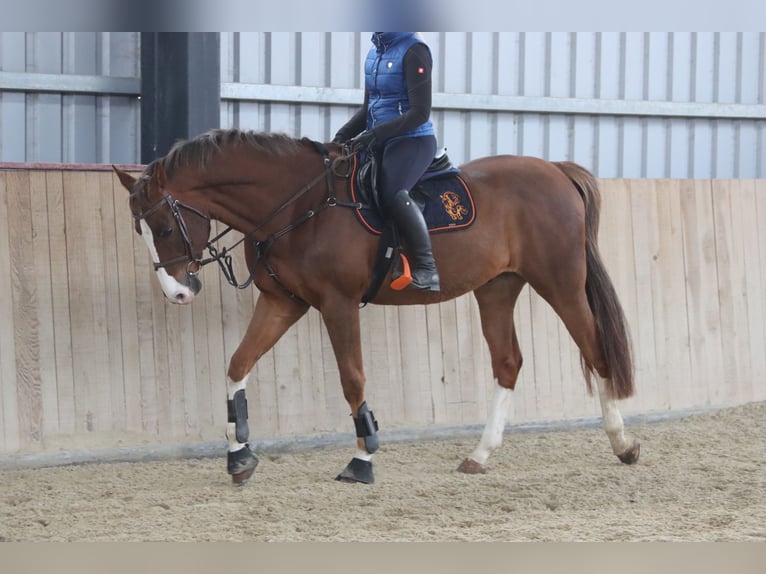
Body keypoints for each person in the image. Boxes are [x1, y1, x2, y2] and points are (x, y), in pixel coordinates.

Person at [333, 32, 440, 292]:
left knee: (393, 192)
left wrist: (374, 135)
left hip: (412, 140)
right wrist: (341, 137)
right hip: (380, 140)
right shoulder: (375, 54)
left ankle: (427, 268)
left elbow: (420, 113)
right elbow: (369, 108)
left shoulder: (415, 51)